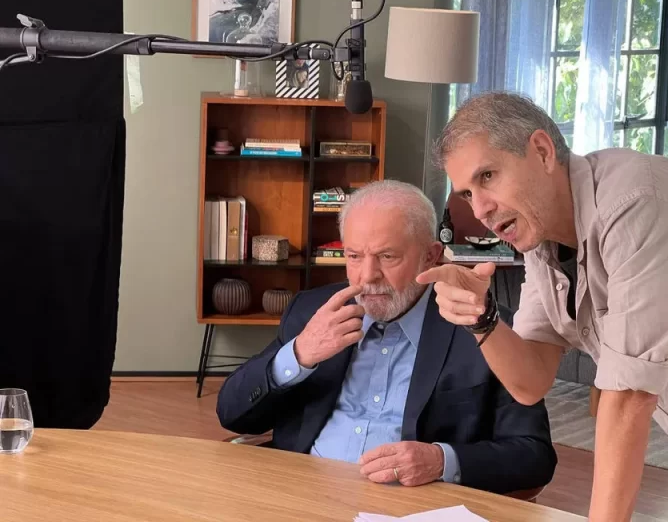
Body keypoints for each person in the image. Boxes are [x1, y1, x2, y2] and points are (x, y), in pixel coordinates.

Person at [417, 92, 668, 522]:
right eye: (468, 193)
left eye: (487, 176)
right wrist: (481, 318)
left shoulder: (636, 203)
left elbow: (630, 396)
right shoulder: (544, 236)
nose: (480, 209)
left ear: (542, 151)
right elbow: (531, 381)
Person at [216, 179, 557, 495]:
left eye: (387, 256)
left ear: (431, 256)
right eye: (354, 256)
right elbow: (232, 414)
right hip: (304, 494)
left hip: (410, 507)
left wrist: (441, 461)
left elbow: (534, 455)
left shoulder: (485, 326)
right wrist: (300, 353)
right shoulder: (312, 312)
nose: (367, 276)